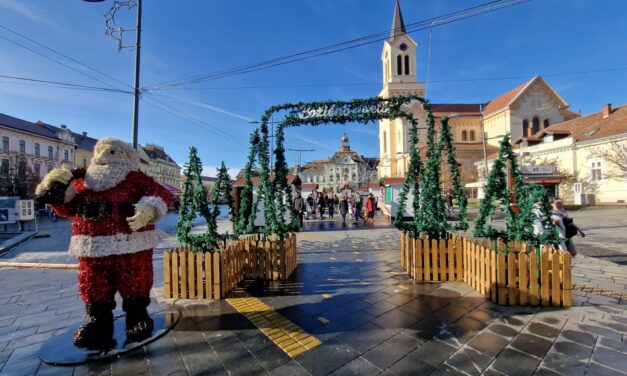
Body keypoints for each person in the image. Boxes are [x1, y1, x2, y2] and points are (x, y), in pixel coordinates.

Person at [36, 137, 172, 349]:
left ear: (126, 157)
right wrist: (54, 189)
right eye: (99, 152)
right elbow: (66, 208)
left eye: (111, 153)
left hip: (131, 244)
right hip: (92, 247)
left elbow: (160, 193)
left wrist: (150, 209)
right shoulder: (82, 180)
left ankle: (137, 317)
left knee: (135, 280)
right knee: (93, 285)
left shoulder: (135, 178)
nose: (101, 157)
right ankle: (98, 323)